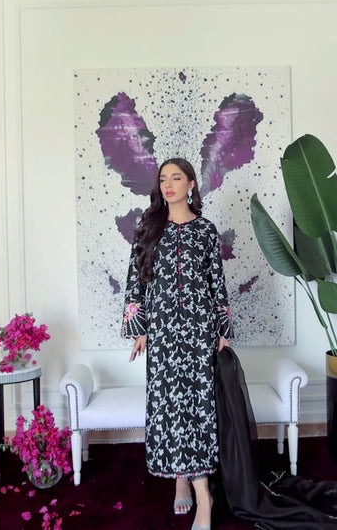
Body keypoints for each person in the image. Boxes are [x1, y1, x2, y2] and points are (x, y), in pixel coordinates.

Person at [121, 157, 233, 530]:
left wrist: (222, 330)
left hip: (199, 331)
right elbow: (135, 280)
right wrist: (139, 328)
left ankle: (203, 496)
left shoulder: (206, 230)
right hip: (163, 332)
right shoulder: (147, 228)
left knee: (197, 407)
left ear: (191, 184)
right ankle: (182, 480)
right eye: (163, 179)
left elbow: (217, 283)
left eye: (176, 178)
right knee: (170, 406)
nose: (168, 184)